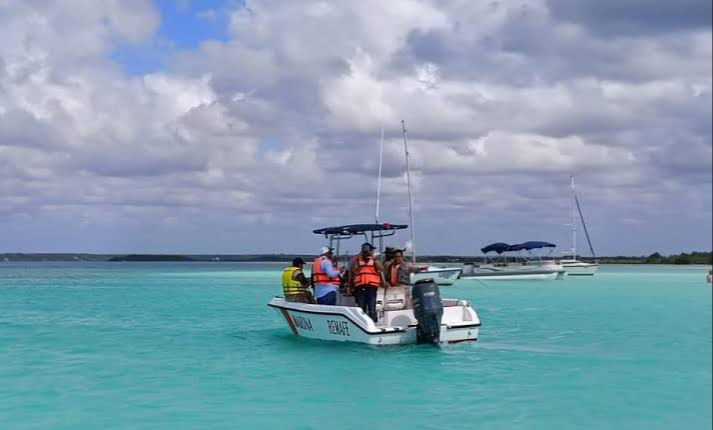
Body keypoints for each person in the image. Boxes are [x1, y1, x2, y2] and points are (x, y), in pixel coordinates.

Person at [350, 243, 383, 322]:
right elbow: (353, 270)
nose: (369, 253)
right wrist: (358, 259)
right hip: (360, 286)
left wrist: (374, 259)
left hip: (371, 286)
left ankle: (373, 322)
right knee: (361, 308)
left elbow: (381, 269)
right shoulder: (358, 260)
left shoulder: (374, 260)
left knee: (372, 307)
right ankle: (361, 323)